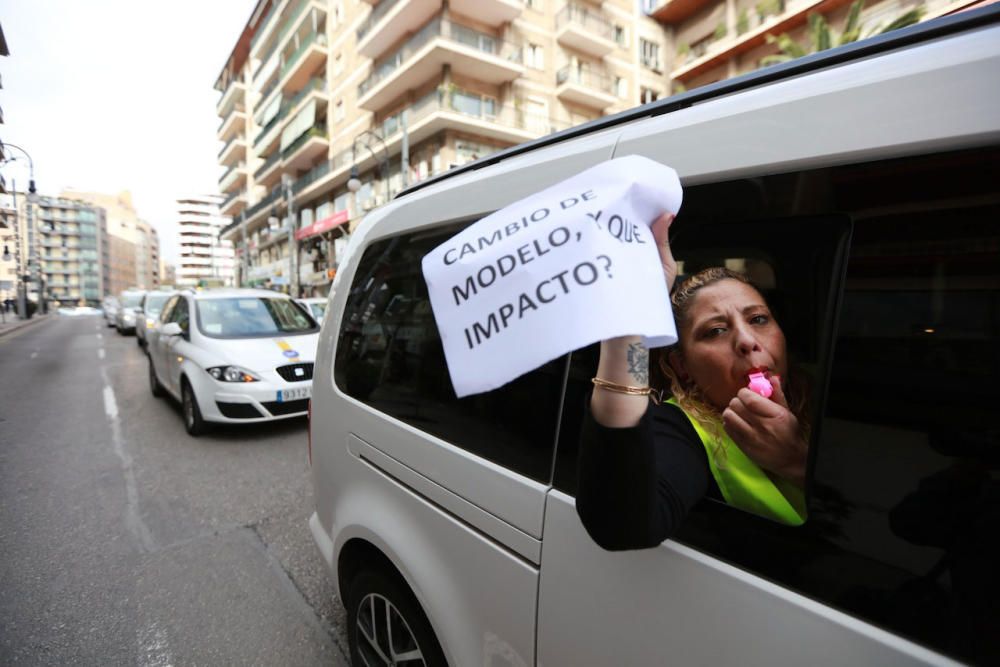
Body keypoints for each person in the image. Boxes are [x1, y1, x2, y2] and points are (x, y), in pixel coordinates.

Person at [576, 213, 809, 550]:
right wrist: (631, 323)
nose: (747, 340)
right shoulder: (680, 428)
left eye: (758, 319)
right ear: (681, 366)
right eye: (715, 331)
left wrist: (797, 459)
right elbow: (623, 526)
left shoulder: (824, 395)